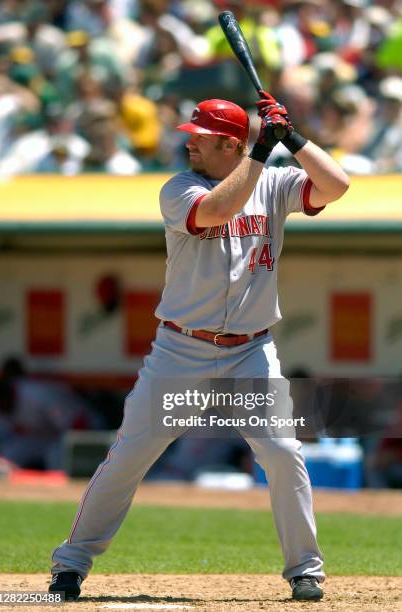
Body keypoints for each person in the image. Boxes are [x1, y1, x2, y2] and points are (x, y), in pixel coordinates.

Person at [49, 93, 349, 602]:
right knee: (128, 457)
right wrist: (259, 152)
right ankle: (70, 565)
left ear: (229, 143)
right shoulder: (179, 188)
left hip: (250, 351)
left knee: (282, 453)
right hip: (180, 350)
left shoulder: (274, 184)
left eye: (203, 138)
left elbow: (337, 186)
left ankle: (305, 570)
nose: (191, 145)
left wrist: (291, 137)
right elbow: (217, 209)